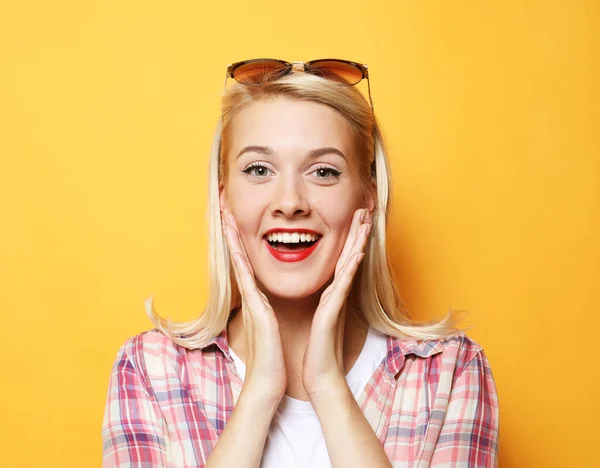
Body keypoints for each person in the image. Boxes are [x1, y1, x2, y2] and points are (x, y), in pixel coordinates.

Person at [101, 58, 499, 467]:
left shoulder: (448, 373)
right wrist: (259, 392)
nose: (290, 203)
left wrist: (328, 386)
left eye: (323, 172)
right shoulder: (152, 371)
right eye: (259, 169)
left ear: (367, 199)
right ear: (224, 201)